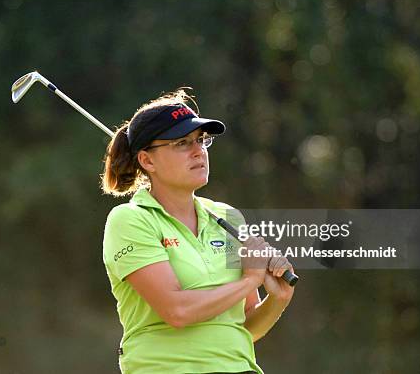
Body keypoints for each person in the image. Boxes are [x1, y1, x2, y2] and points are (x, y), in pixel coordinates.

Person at [101, 89, 295, 374]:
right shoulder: (130, 220)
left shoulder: (227, 218)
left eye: (201, 141)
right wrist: (249, 281)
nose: (198, 151)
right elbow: (177, 311)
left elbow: (245, 327)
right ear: (147, 160)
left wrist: (278, 299)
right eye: (181, 143)